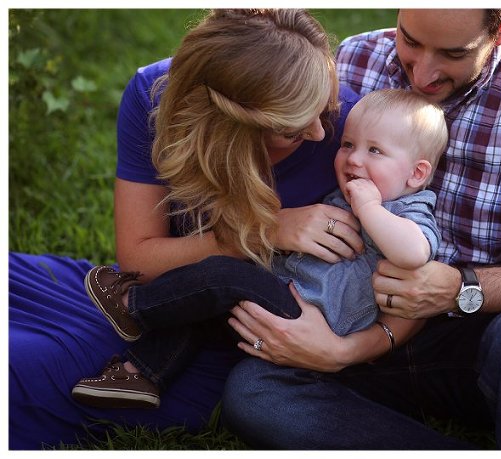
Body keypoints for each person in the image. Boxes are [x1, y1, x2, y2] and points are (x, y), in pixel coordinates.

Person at [220, 9, 501, 449]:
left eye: (453, 53)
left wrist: (462, 286)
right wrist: (274, 226)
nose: (423, 74)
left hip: (468, 343)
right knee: (254, 391)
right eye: (411, 41)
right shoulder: (354, 59)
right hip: (347, 321)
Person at [9, 8, 364, 449]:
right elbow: (140, 261)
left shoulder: (351, 130)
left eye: (324, 108)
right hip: (162, 301)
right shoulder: (156, 97)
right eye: (289, 129)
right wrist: (265, 231)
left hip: (247, 340)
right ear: (229, 129)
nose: (317, 132)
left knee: (22, 370)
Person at [70, 88, 448, 410]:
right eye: (348, 144)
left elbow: (413, 254)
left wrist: (369, 208)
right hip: (284, 297)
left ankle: (136, 306)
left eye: (375, 151)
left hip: (313, 321)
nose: (353, 158)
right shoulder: (344, 197)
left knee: (226, 275)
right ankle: (141, 376)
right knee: (202, 311)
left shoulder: (409, 210)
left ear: (416, 173)